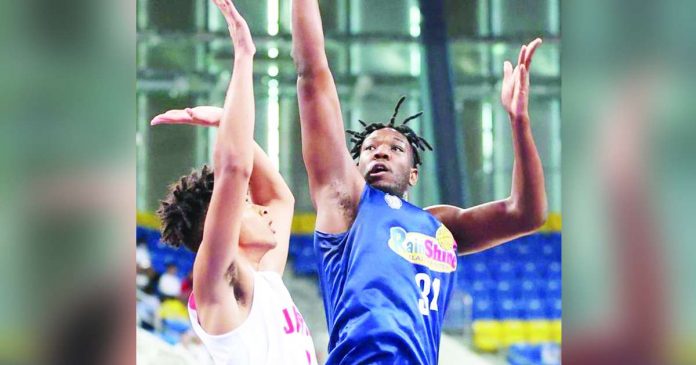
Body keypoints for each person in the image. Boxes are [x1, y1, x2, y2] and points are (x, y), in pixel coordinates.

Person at [290, 0, 548, 363]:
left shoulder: (439, 224)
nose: (380, 151)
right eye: (369, 148)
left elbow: (526, 214)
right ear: (355, 163)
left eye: (395, 148)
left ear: (413, 173)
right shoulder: (346, 202)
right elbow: (312, 76)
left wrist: (519, 120)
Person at [152, 1, 317, 363]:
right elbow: (234, 169)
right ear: (220, 224)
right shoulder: (218, 286)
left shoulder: (263, 280)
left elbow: (280, 199)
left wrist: (227, 118)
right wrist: (244, 56)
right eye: (246, 204)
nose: (260, 208)